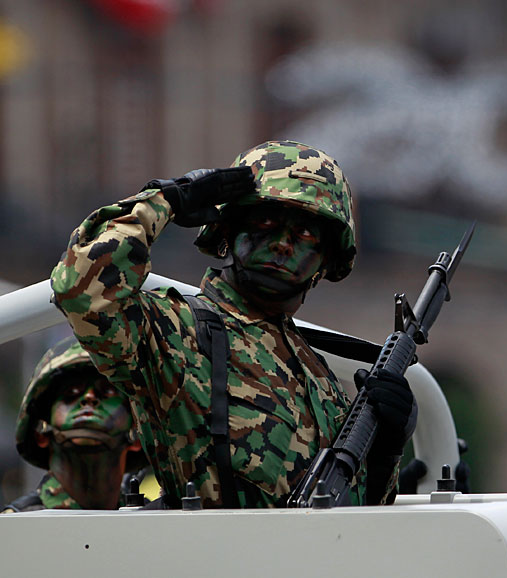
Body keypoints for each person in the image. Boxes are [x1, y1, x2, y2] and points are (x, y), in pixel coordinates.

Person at [50, 140, 415, 509]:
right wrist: (164, 201)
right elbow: (80, 291)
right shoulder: (179, 331)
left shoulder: (319, 378)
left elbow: (355, 507)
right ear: (228, 232)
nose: (283, 244)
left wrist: (385, 450)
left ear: (325, 259)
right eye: (266, 222)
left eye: (305, 234)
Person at [1, 336, 145, 512]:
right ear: (40, 433)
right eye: (71, 393)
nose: (89, 397)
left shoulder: (156, 520)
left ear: (138, 435)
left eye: (107, 392)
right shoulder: (15, 524)